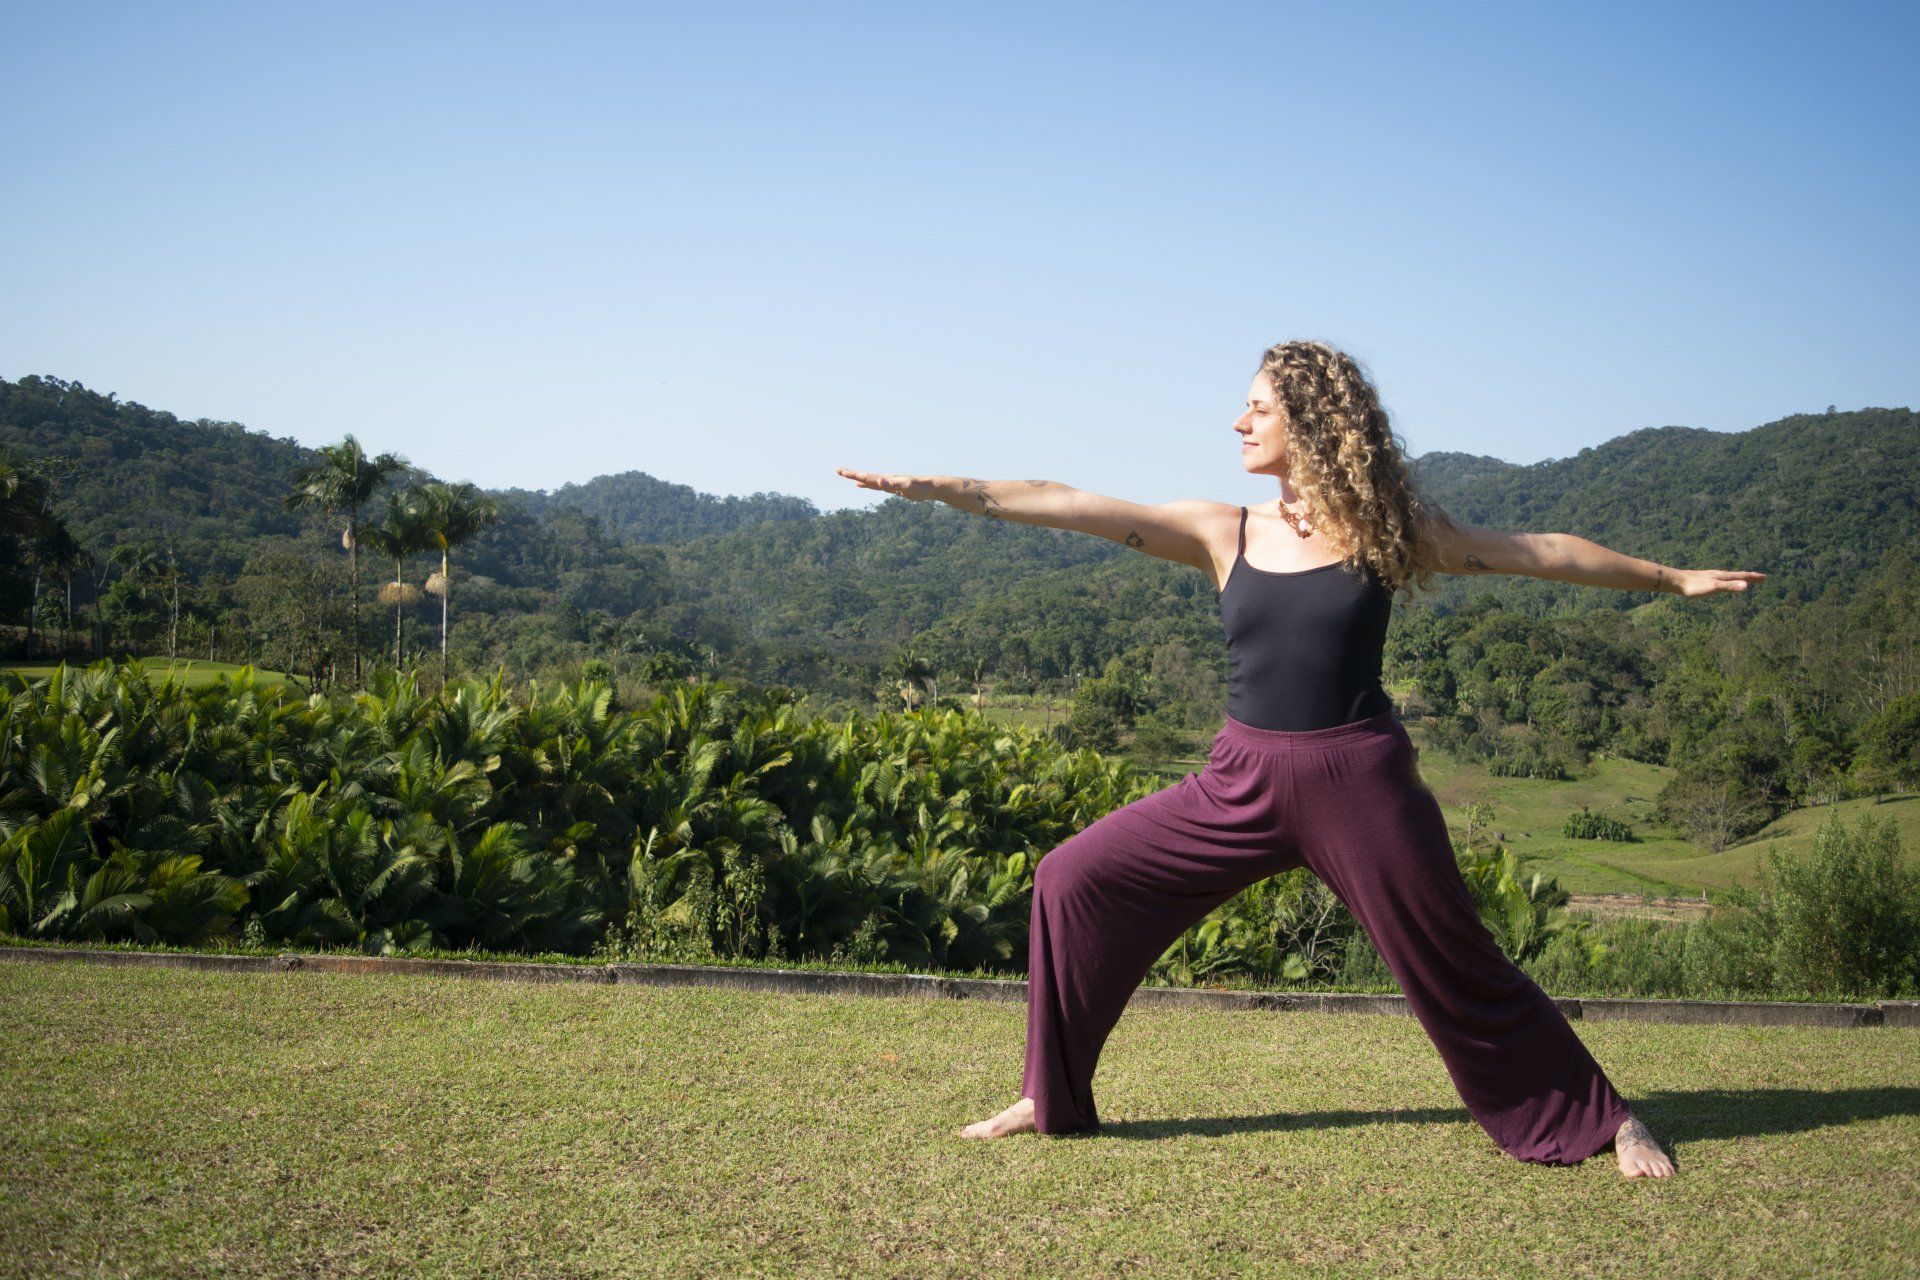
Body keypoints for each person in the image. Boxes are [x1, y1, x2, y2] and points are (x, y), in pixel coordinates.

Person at [836, 339, 1763, 1179]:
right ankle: (1052, 1095)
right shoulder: (1221, 529)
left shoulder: (1392, 531)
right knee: (1071, 878)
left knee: (1457, 959)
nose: (1238, 422)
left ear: (1314, 424)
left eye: (1259, 408)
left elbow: (1543, 554)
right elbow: (1071, 503)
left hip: (1358, 781)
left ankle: (1603, 1119)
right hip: (1238, 779)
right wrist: (946, 487)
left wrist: (1670, 578)